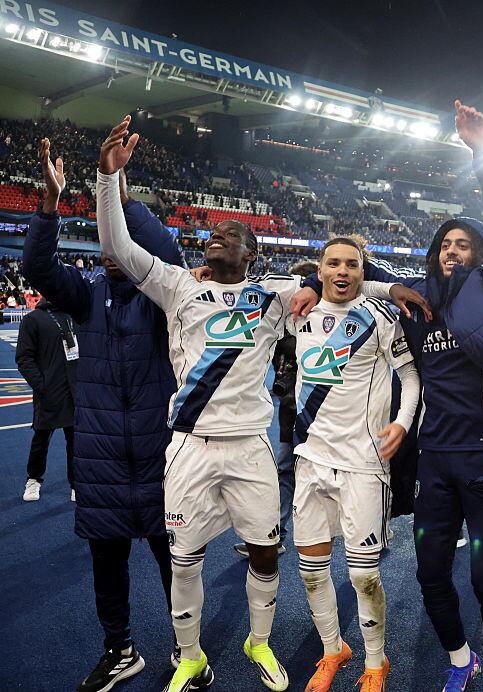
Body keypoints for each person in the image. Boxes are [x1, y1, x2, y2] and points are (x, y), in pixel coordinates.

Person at [94, 115, 424, 692]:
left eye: (231, 233)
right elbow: (115, 243)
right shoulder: (177, 284)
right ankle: (190, 656)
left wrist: (383, 287)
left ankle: (260, 642)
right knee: (185, 559)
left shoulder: (274, 296)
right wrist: (106, 180)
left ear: (252, 253)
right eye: (212, 233)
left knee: (267, 554)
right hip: (189, 447)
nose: (215, 235)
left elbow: (332, 285)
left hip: (251, 449)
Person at [343, 100, 483, 692]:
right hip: (434, 463)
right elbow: (348, 269)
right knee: (430, 573)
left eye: (464, 244)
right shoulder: (416, 305)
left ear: (479, 256)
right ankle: (461, 662)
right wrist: (307, 280)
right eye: (445, 244)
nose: (453, 250)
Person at [22, 139, 182, 692]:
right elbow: (37, 264)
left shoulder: (166, 297)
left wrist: (115, 188)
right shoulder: (86, 296)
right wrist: (50, 202)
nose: (112, 249)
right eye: (105, 240)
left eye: (122, 239)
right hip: (103, 460)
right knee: (106, 569)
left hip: (161, 459)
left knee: (176, 567)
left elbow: (172, 250)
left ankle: (190, 653)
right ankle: (120, 649)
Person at [290, 235, 419, 692]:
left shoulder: (379, 316)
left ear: (364, 273)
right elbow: (247, 290)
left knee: (364, 575)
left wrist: (402, 422)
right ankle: (332, 650)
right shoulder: (297, 313)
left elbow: (409, 373)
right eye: (333, 264)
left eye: (352, 264)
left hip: (364, 464)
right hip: (310, 460)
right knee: (310, 570)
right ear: (319, 270)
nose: (342, 271)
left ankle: (375, 661)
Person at [233, 259, 318, 559]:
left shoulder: (329, 325)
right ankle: (276, 534)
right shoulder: (277, 329)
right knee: (283, 471)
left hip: (328, 421)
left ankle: (372, 528)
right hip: (291, 417)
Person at [17, 291, 77, 502]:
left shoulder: (74, 316)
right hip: (49, 393)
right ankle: (34, 479)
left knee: (76, 441)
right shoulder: (33, 319)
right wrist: (42, 386)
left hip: (75, 393)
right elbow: (24, 358)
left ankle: (76, 483)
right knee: (41, 439)